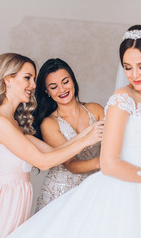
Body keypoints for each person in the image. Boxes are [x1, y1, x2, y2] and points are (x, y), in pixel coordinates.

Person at [8, 26, 141, 238]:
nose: (134, 75)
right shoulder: (121, 100)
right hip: (121, 189)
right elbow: (109, 162)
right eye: (127, 67)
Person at [0, 53, 103, 238]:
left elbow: (55, 152)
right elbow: (43, 162)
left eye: (33, 79)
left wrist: (87, 134)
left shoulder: (12, 123)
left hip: (14, 202)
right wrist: (86, 139)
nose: (33, 85)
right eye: (27, 78)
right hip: (1, 206)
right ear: (8, 80)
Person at [32, 58, 104, 212]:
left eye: (65, 82)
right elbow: (72, 165)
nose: (62, 89)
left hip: (95, 187)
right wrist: (103, 162)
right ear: (47, 91)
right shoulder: (49, 123)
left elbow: (116, 142)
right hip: (61, 192)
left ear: (73, 80)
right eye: (53, 87)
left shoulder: (96, 110)